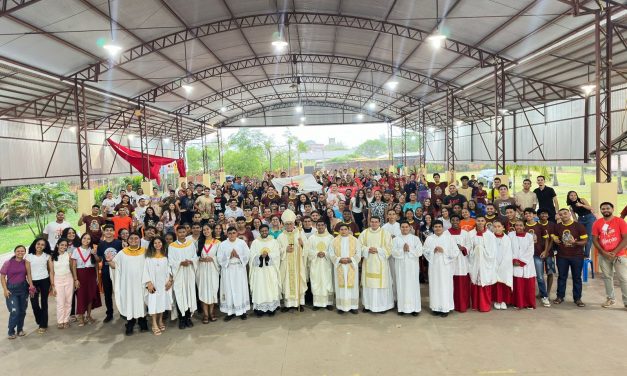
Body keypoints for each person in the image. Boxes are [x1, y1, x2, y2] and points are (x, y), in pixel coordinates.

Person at [107, 232, 148, 336]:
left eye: (136, 238)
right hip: (128, 284)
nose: (134, 240)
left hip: (141, 283)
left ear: (140, 239)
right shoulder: (122, 253)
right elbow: (114, 266)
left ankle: (143, 321)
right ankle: (130, 322)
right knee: (130, 301)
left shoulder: (145, 252)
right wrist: (109, 261)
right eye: (131, 238)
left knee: (141, 301)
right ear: (128, 240)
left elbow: (150, 266)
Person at [592, 202, 627, 309]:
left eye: (608, 208)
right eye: (603, 209)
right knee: (607, 277)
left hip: (619, 255)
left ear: (612, 209)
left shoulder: (620, 221)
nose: (605, 210)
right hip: (604, 255)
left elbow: (625, 238)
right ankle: (610, 299)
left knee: (623, 278)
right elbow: (594, 239)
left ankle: (626, 302)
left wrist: (615, 252)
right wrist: (603, 252)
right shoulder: (597, 223)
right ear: (601, 210)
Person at [552, 208, 587, 307]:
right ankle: (560, 296)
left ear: (569, 214)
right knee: (562, 277)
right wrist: (555, 238)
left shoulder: (579, 226)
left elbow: (585, 241)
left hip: (577, 256)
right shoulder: (557, 226)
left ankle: (577, 298)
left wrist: (574, 242)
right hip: (562, 256)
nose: (563, 215)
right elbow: (553, 235)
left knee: (577, 278)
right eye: (561, 214)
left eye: (565, 213)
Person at [423, 220, 458, 317]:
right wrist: (432, 251)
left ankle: (445, 308)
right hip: (434, 267)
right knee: (435, 286)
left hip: (445, 267)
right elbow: (424, 251)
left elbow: (455, 252)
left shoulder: (449, 238)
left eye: (439, 226)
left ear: (442, 228)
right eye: (435, 227)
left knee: (445, 286)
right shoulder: (429, 239)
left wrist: (444, 251)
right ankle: (435, 308)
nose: (437, 228)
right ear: (433, 228)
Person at [358, 216, 394, 313]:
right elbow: (359, 246)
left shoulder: (385, 233)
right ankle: (368, 305)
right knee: (368, 284)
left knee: (380, 285)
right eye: (372, 222)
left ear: (379, 223)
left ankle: (382, 306)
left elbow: (390, 248)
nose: (374, 224)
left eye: (376, 222)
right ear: (369, 222)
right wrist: (367, 249)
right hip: (368, 262)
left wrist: (377, 250)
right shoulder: (364, 233)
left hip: (381, 263)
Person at [1, 245, 34, 339]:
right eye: (18, 251)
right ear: (15, 252)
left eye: (22, 251)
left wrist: (31, 285)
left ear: (25, 252)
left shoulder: (25, 263)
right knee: (15, 311)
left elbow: (29, 274)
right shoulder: (8, 263)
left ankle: (20, 329)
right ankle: (11, 331)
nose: (20, 253)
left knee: (22, 311)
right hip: (11, 290)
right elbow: (2, 277)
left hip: (23, 288)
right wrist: (5, 289)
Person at [217, 226, 251, 321]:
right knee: (229, 290)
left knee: (241, 289)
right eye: (230, 233)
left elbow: (248, 255)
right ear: (227, 234)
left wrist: (238, 256)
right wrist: (229, 256)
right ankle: (230, 312)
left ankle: (242, 311)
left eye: (233, 233)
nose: (232, 235)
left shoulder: (242, 243)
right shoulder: (223, 244)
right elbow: (219, 258)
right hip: (228, 269)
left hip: (239, 269)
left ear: (237, 233)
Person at [168, 226, 198, 329]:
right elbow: (170, 261)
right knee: (180, 295)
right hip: (179, 274)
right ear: (176, 233)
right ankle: (182, 319)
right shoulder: (172, 246)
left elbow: (195, 257)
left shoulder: (190, 244)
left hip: (189, 273)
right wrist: (180, 263)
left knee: (189, 295)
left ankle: (188, 318)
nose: (182, 234)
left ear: (186, 232)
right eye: (179, 232)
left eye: (183, 232)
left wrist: (191, 261)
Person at [277, 209, 308, 311]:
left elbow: (307, 247)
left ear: (293, 223)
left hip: (297, 263)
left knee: (299, 279)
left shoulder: (300, 233)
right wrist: (284, 250)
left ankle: (300, 303)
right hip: (286, 263)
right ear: (283, 224)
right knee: (287, 281)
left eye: (290, 224)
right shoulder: (280, 237)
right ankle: (288, 304)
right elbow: (277, 250)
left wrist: (302, 244)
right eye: (287, 224)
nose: (289, 226)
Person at [248, 224, 282, 316]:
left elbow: (277, 254)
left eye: (266, 230)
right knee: (260, 288)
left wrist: (268, 256)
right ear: (259, 232)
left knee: (271, 287)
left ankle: (271, 308)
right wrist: (259, 256)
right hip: (259, 270)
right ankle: (259, 309)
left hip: (270, 269)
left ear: (268, 231)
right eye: (262, 231)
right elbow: (251, 255)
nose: (264, 232)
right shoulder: (255, 242)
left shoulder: (274, 241)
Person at [142, 237, 173, 336]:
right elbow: (145, 271)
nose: (157, 244)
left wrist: (170, 281)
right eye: (155, 243)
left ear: (163, 244)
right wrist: (148, 283)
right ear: (152, 245)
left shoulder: (166, 256)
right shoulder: (148, 258)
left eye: (159, 242)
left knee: (162, 302)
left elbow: (170, 270)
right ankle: (154, 324)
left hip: (164, 284)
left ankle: (160, 321)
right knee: (153, 304)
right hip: (153, 285)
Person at [392, 221, 423, 316]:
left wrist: (409, 250)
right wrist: (402, 250)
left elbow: (420, 251)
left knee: (413, 286)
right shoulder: (396, 239)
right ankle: (402, 308)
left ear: (410, 228)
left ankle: (415, 308)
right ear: (400, 228)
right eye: (402, 227)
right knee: (401, 285)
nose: (404, 228)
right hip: (400, 266)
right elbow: (392, 252)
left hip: (412, 266)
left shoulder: (415, 238)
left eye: (406, 227)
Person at [329, 223, 361, 314]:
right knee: (341, 287)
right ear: (339, 231)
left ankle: (353, 306)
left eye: (345, 229)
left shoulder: (355, 240)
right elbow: (331, 253)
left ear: (349, 229)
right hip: (340, 266)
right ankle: (341, 306)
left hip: (351, 266)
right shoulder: (334, 241)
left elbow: (358, 253)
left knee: (352, 286)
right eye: (341, 229)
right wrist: (339, 260)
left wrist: (351, 260)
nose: (343, 231)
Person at [70, 233, 101, 326]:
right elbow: (73, 265)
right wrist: (76, 279)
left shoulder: (92, 250)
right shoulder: (76, 250)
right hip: (81, 274)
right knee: (81, 296)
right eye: (84, 238)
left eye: (88, 239)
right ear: (81, 239)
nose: (86, 240)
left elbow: (97, 262)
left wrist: (96, 276)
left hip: (91, 274)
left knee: (90, 295)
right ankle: (80, 316)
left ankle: (89, 315)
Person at [523, 208, 552, 307]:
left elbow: (547, 239)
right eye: (526, 214)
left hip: (537, 254)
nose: (528, 215)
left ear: (534, 215)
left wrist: (545, 251)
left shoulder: (540, 226)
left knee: (539, 276)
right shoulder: (523, 226)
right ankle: (524, 296)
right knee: (524, 276)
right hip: (525, 256)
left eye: (530, 213)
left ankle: (544, 296)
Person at [468, 217, 496, 312]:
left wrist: (481, 251)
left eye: (482, 221)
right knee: (475, 281)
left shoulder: (490, 235)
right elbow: (469, 248)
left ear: (485, 222)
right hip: (474, 261)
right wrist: (476, 250)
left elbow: (493, 250)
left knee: (484, 281)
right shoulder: (470, 234)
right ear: (475, 221)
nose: (480, 222)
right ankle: (475, 304)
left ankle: (485, 306)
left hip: (485, 262)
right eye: (478, 220)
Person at [96, 224, 123, 323]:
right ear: (104, 232)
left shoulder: (119, 243)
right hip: (106, 271)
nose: (109, 232)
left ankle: (122, 311)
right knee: (107, 293)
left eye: (111, 230)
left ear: (114, 232)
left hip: (118, 270)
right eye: (106, 230)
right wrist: (95, 254)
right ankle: (109, 313)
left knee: (119, 291)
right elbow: (99, 259)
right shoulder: (101, 244)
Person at [26, 238, 53, 333]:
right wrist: (31, 285)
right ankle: (40, 319)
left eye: (42, 245)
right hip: (33, 282)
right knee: (34, 304)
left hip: (45, 281)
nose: (40, 246)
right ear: (34, 244)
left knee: (44, 302)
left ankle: (43, 324)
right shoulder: (29, 256)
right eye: (38, 244)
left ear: (45, 247)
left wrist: (52, 283)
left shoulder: (47, 256)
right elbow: (28, 273)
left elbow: (51, 271)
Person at [306, 221, 335, 310]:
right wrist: (317, 253)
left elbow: (333, 251)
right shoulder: (311, 238)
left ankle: (329, 303)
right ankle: (317, 303)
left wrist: (325, 253)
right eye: (318, 225)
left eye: (322, 225)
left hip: (327, 264)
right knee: (316, 282)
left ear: (325, 226)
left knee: (328, 281)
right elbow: (308, 250)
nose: (320, 227)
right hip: (316, 264)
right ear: (316, 226)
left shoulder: (330, 238)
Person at [509, 221, 536, 309]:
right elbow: (508, 248)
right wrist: (514, 260)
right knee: (517, 285)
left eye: (521, 225)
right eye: (516, 225)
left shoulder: (529, 236)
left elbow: (530, 250)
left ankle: (529, 303)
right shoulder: (510, 235)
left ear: (524, 226)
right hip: (514, 263)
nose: (518, 227)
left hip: (527, 264)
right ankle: (517, 303)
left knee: (528, 286)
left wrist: (522, 261)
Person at [196, 224, 221, 323]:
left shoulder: (217, 242)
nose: (206, 231)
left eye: (208, 229)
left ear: (212, 230)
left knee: (213, 290)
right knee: (203, 290)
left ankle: (212, 312)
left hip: (213, 269)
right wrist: (200, 259)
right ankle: (205, 314)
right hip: (202, 269)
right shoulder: (199, 242)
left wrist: (212, 258)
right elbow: (195, 256)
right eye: (204, 229)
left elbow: (220, 256)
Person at [448, 215, 471, 313]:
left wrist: (464, 248)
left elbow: (469, 245)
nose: (455, 222)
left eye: (457, 220)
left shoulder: (465, 233)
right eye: (453, 220)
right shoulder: (446, 233)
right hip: (450, 262)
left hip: (462, 262)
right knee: (451, 284)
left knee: (462, 285)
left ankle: (462, 305)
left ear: (459, 221)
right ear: (450, 221)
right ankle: (451, 305)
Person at [50, 239, 73, 329]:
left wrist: (75, 280)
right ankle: (60, 321)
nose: (63, 247)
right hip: (57, 280)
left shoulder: (69, 255)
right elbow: (51, 272)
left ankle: (66, 320)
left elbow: (71, 268)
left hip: (68, 278)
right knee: (60, 301)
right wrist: (52, 286)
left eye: (65, 245)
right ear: (57, 245)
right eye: (61, 245)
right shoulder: (51, 257)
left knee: (68, 301)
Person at [566, 191, 595, 258]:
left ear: (577, 195)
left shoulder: (582, 200)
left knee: (589, 236)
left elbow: (590, 208)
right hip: (581, 220)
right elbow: (574, 217)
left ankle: (586, 254)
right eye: (571, 195)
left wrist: (581, 205)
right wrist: (576, 225)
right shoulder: (571, 207)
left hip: (589, 217)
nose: (573, 197)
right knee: (580, 236)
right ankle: (580, 253)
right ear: (569, 197)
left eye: (575, 195)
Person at [492, 221, 513, 310]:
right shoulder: (490, 237)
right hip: (494, 264)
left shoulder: (507, 238)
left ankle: (504, 300)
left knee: (504, 282)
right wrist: (495, 263)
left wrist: (503, 264)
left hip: (505, 264)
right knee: (496, 282)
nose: (497, 228)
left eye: (499, 226)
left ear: (503, 228)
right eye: (495, 226)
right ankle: (497, 300)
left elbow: (509, 252)